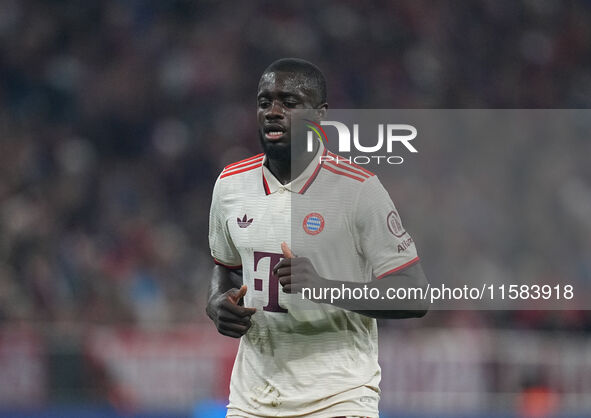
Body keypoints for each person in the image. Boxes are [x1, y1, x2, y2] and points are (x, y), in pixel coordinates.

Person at [207, 58, 428, 418]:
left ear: (320, 114)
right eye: (265, 103)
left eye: (289, 103)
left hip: (339, 398)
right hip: (252, 401)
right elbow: (225, 267)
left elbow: (415, 294)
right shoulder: (230, 184)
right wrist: (217, 304)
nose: (274, 112)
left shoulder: (358, 189)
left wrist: (326, 287)